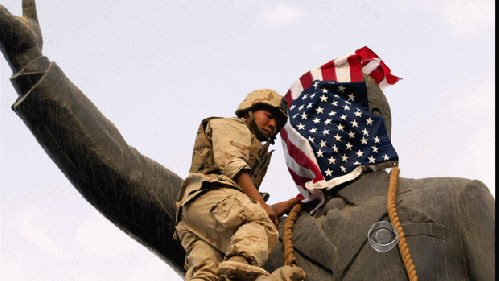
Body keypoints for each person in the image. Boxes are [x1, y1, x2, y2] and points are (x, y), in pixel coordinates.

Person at [175, 90, 303, 280]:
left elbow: (242, 199)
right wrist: (262, 207)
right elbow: (232, 165)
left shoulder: (252, 145)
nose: (272, 125)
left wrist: (276, 208)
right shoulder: (234, 126)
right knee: (261, 223)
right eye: (268, 116)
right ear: (248, 111)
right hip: (209, 197)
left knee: (206, 270)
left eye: (277, 123)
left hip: (198, 217)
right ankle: (239, 271)